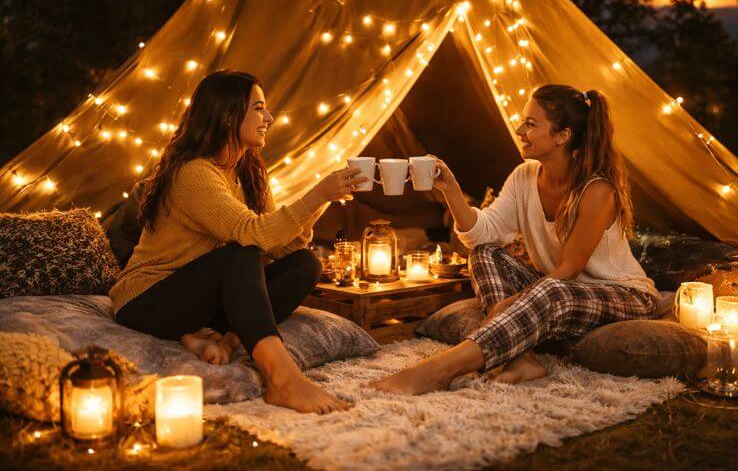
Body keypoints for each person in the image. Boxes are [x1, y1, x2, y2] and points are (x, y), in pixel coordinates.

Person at [369, 84, 659, 395]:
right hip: (559, 289)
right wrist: (450, 189)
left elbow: (568, 270)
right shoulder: (524, 177)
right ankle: (521, 359)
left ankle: (439, 369)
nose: (520, 129)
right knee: (485, 253)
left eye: (531, 124)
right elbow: (481, 235)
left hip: (622, 295)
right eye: (523, 121)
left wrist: (512, 302)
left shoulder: (596, 190)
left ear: (562, 135)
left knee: (552, 290)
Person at [110, 70, 368, 413]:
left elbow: (277, 246)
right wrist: (318, 191)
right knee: (240, 255)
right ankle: (282, 379)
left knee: (306, 263)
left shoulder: (246, 172)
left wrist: (323, 201)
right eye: (259, 108)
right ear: (229, 115)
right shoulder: (194, 173)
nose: (269, 118)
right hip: (146, 299)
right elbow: (255, 235)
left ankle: (229, 341)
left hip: (198, 297)